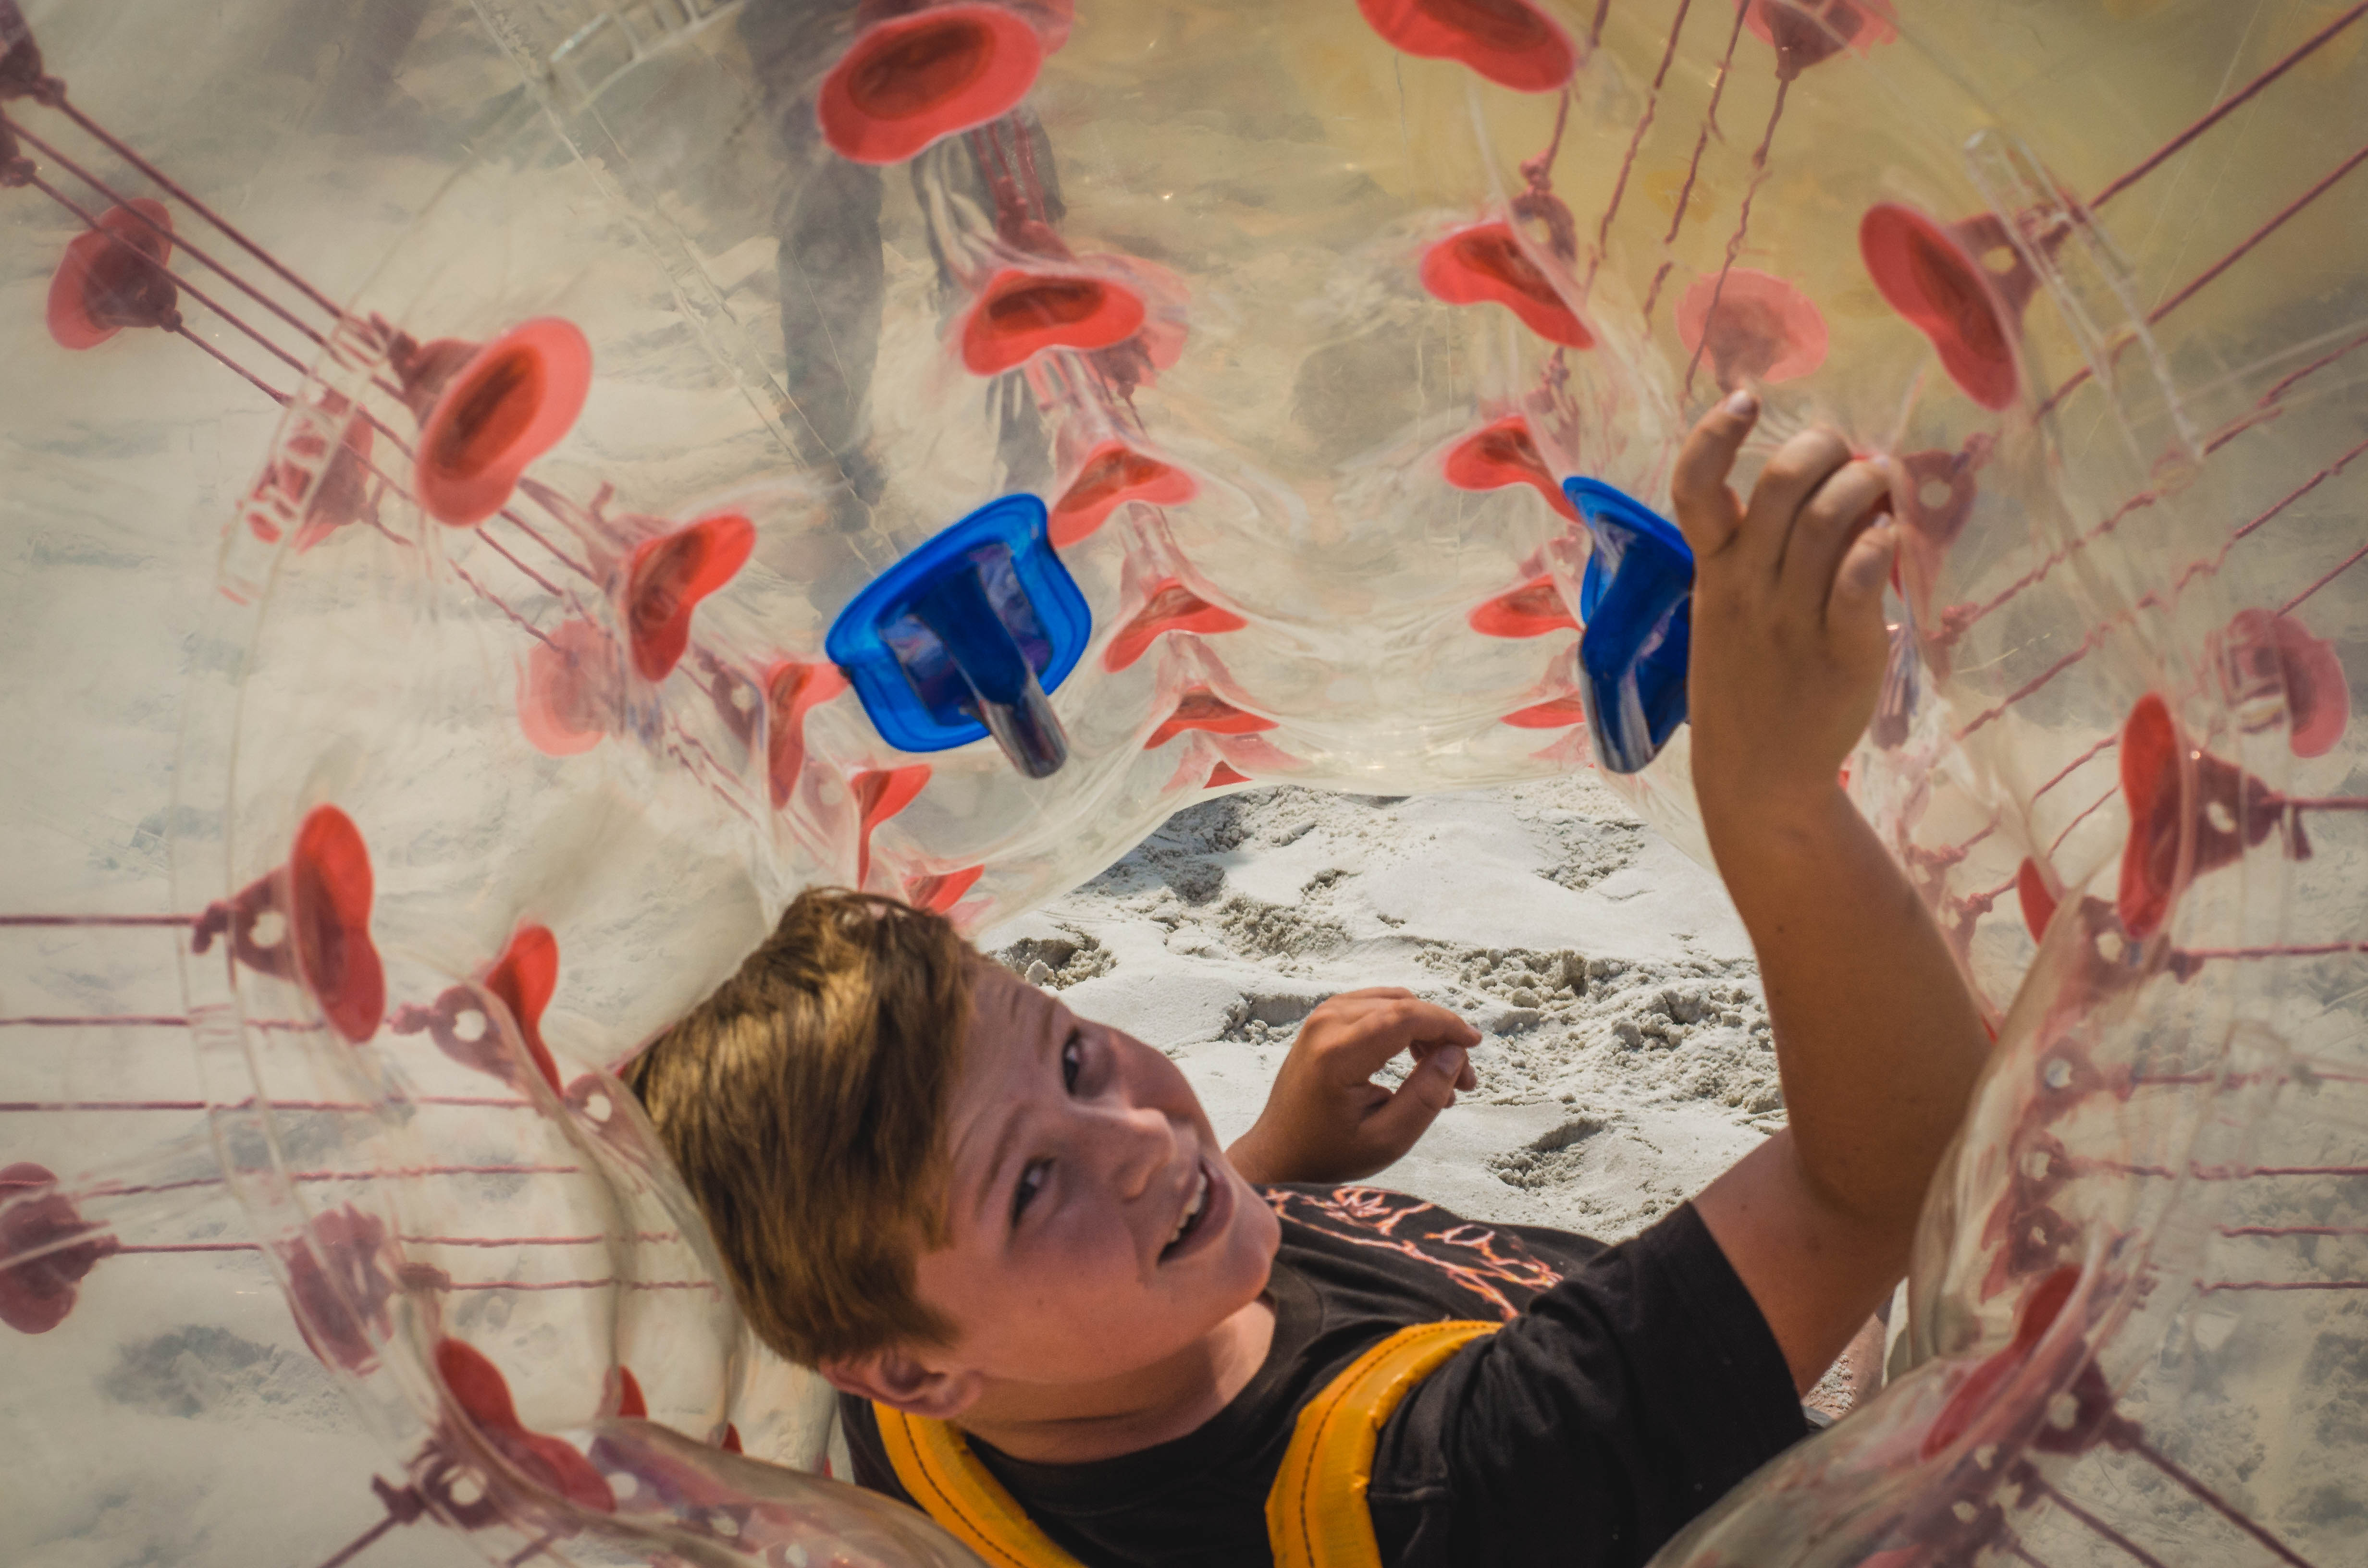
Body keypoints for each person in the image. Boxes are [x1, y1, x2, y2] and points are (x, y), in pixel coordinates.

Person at [624, 392, 1995, 1568]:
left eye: (1076, 1056)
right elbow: (1890, 1172)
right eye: (1032, 1185)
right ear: (912, 1365)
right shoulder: (1453, 1486)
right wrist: (1773, 803)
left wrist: (1274, 1162)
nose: (1141, 1132)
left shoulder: (921, 1410)